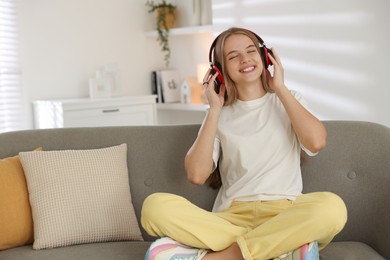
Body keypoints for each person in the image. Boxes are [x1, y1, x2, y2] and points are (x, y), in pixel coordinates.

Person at [141, 27, 347, 260]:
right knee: (154, 207)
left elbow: (317, 141)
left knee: (332, 208)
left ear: (265, 57)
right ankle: (277, 248)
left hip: (283, 214)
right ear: (219, 70)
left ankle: (226, 256)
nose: (245, 59)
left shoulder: (289, 100)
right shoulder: (218, 116)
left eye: (251, 51)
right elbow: (196, 175)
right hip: (231, 218)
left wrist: (280, 87)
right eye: (233, 56)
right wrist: (214, 109)